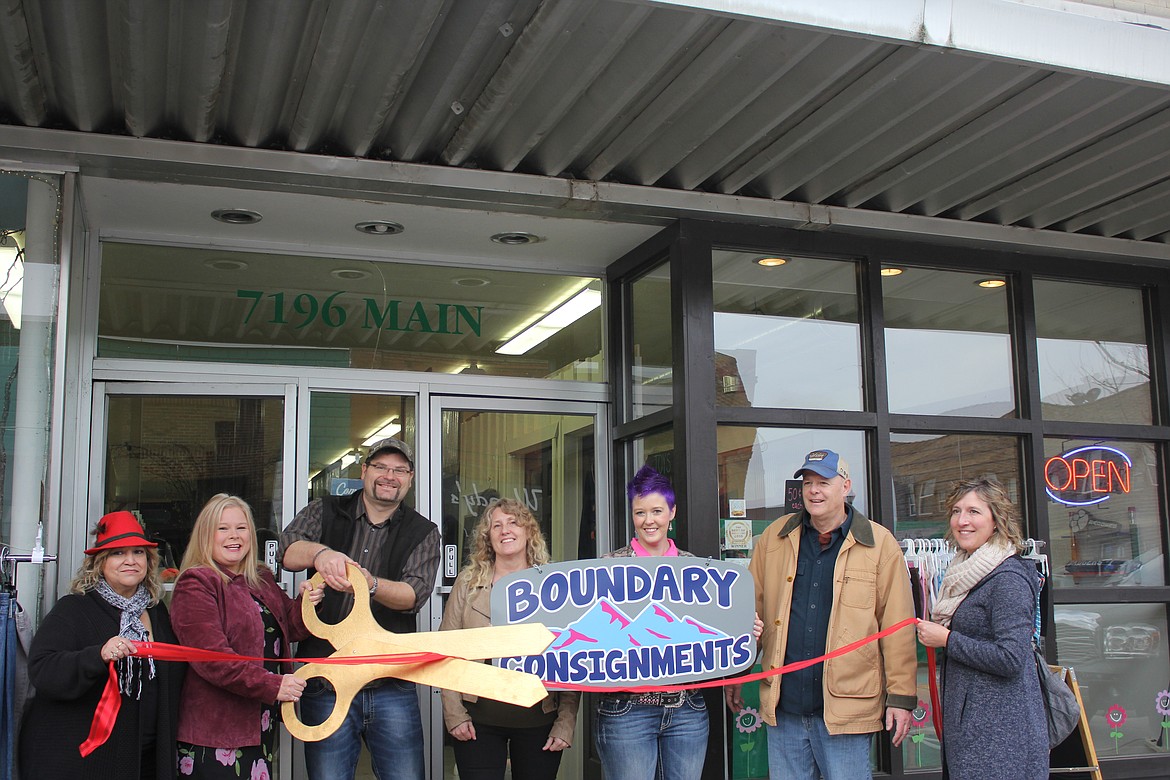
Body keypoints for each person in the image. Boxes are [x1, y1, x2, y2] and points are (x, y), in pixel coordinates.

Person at [726, 449, 917, 780]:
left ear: (846, 487)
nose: (814, 490)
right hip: (784, 708)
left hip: (847, 711)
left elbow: (898, 626)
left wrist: (901, 697)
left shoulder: (879, 545)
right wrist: (738, 670)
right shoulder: (774, 537)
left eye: (824, 482)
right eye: (808, 483)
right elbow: (750, 610)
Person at [279, 437, 441, 780]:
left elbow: (415, 594)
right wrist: (320, 555)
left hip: (390, 685)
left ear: (410, 479)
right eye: (381, 467)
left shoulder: (423, 531)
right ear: (364, 471)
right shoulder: (324, 509)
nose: (389, 476)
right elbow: (287, 550)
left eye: (399, 470)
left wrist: (371, 584)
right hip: (325, 683)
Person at [20, 511, 184, 779]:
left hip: (144, 759)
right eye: (118, 553)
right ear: (100, 563)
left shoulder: (156, 612)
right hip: (84, 764)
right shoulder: (74, 609)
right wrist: (97, 656)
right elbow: (42, 669)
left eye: (138, 552)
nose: (130, 561)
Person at [170, 494, 323, 779]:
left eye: (241, 528)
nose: (234, 536)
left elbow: (290, 627)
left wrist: (308, 602)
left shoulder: (261, 577)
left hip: (259, 724)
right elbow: (211, 659)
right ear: (206, 534)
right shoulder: (197, 583)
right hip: (214, 734)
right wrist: (273, 685)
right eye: (223, 528)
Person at [916, 478, 1047, 779]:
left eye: (974, 512)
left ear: (996, 520)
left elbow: (1011, 658)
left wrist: (948, 639)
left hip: (1001, 739)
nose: (962, 521)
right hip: (977, 731)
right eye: (956, 511)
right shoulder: (966, 572)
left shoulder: (1007, 580)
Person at [440, 498, 580, 780]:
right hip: (477, 723)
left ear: (529, 531)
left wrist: (565, 723)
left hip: (539, 721)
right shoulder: (468, 583)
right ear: (487, 538)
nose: (505, 530)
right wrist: (454, 715)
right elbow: (446, 651)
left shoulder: (555, 585)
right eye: (496, 526)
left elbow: (572, 656)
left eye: (513, 522)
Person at [592, 465, 707, 780]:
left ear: (672, 512)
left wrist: (743, 630)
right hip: (626, 710)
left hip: (688, 708)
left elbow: (713, 629)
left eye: (657, 511)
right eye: (640, 512)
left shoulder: (695, 569)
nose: (649, 520)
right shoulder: (607, 567)